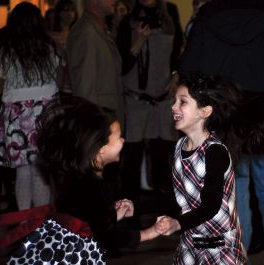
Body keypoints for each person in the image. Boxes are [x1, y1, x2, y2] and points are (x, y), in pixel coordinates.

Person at [179, 1, 264, 264]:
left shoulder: (208, 18)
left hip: (226, 117)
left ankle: (239, 257)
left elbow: (189, 71)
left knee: (236, 192)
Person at [35, 96, 159, 259]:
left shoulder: (79, 179)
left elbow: (90, 222)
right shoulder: (90, 187)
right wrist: (149, 233)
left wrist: (113, 214)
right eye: (119, 137)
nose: (123, 140)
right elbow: (107, 237)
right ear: (101, 148)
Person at [155, 73, 247, 264]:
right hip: (190, 245)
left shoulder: (214, 152)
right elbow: (177, 199)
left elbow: (211, 206)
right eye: (174, 101)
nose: (173, 107)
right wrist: (135, 207)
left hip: (219, 250)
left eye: (182, 102)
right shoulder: (180, 147)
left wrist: (177, 223)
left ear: (204, 112)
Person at [0, 2, 59, 210]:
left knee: (22, 172)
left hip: (17, 118)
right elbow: (60, 80)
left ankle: (25, 224)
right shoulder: (49, 49)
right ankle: (40, 226)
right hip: (46, 115)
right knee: (40, 171)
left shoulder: (6, 53)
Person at [117, 0, 183, 221]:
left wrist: (176, 75)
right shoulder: (127, 21)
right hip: (136, 101)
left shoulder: (170, 14)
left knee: (164, 159)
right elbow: (122, 65)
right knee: (132, 160)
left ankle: (167, 215)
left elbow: (179, 52)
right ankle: (130, 215)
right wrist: (138, 41)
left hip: (163, 100)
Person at [66, 0, 125, 123]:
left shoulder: (97, 28)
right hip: (99, 120)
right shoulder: (86, 32)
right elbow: (85, 87)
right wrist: (92, 127)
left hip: (107, 117)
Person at [50, 0, 78, 93]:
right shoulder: (52, 35)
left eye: (72, 10)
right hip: (58, 82)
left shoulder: (78, 34)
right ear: (59, 13)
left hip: (76, 82)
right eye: (65, 10)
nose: (69, 13)